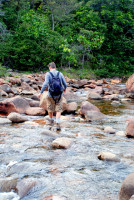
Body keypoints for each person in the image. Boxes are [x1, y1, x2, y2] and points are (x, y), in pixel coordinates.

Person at [38, 62, 67, 130]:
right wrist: (64, 89)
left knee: (50, 107)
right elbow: (65, 83)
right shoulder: (60, 73)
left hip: (50, 94)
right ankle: (57, 123)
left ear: (49, 67)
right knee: (59, 109)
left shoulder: (48, 74)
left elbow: (45, 84)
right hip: (59, 94)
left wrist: (41, 92)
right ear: (55, 67)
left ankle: (51, 120)